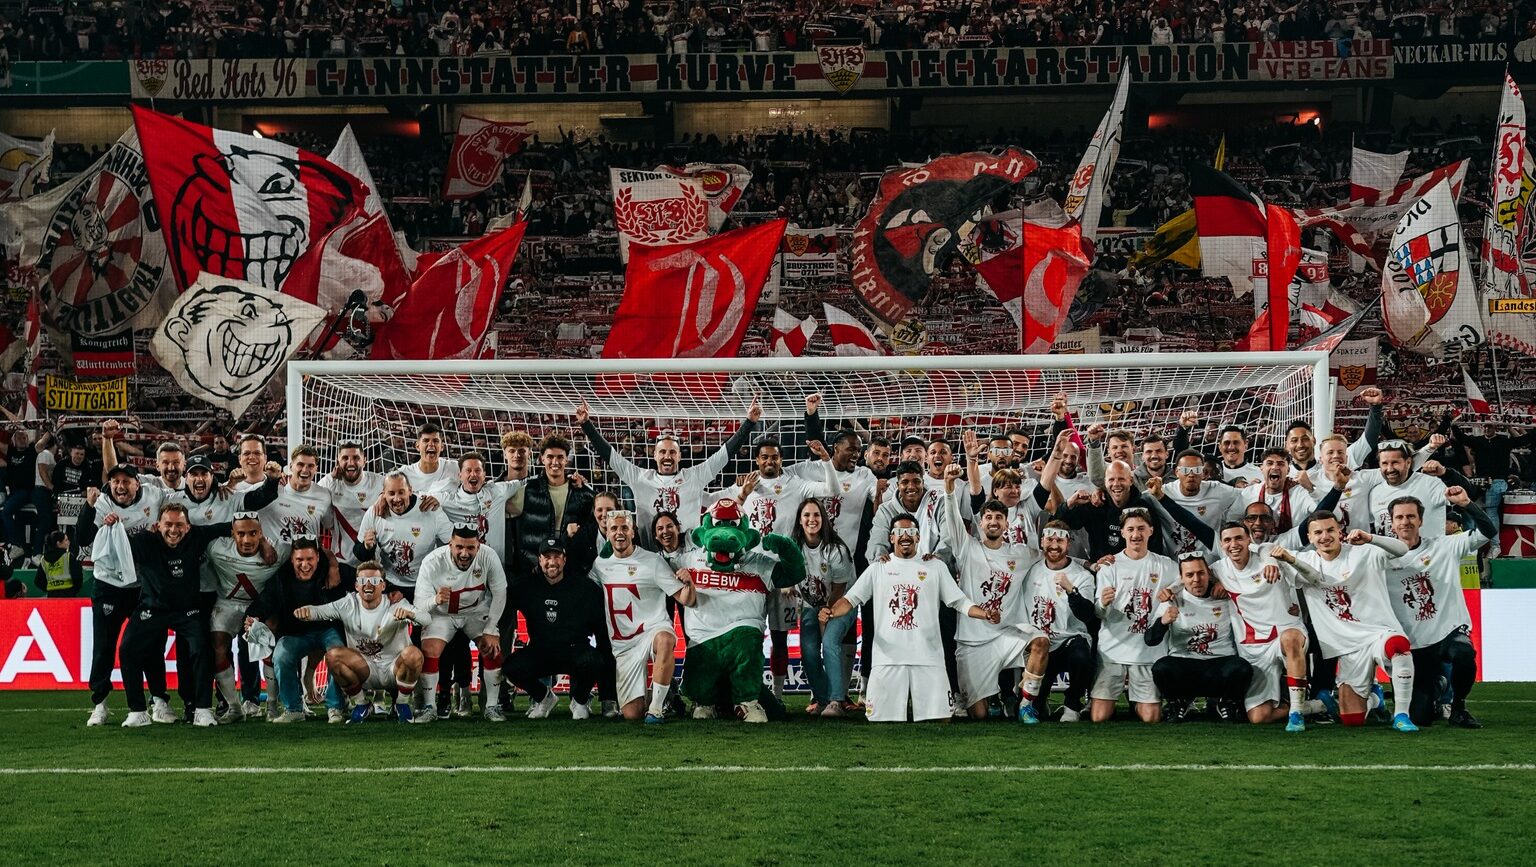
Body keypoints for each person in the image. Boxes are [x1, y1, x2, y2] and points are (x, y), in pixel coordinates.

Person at [818, 515, 997, 722]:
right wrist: (830, 612)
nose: (906, 536)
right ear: (891, 538)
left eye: (911, 532)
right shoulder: (878, 568)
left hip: (929, 658)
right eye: (900, 533)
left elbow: (959, 601)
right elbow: (850, 600)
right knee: (880, 720)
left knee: (941, 720)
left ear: (918, 537)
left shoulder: (935, 566)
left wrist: (983, 613)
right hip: (887, 660)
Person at [92, 502, 230, 727]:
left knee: (202, 648)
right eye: (168, 524)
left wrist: (262, 542)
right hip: (151, 609)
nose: (173, 530)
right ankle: (137, 711)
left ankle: (203, 709)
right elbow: (110, 548)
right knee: (127, 649)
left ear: (188, 527)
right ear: (157, 525)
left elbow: (231, 527)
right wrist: (109, 527)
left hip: (188, 611)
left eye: (179, 525)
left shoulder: (198, 536)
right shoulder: (143, 542)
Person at [1284, 511, 1418, 732]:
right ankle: (1376, 699)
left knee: (1398, 645)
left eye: (1330, 530)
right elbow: (1265, 551)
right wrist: (1271, 561)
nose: (1324, 536)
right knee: (1352, 719)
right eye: (1318, 532)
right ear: (1309, 537)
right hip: (1347, 647)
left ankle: (1402, 714)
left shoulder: (1363, 552)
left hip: (1378, 633)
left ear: (1340, 532)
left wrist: (1371, 538)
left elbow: (1403, 548)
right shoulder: (1305, 561)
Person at [1374, 489, 1492, 728]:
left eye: (1410, 516)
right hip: (1412, 642)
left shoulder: (1445, 546)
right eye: (1399, 517)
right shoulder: (1378, 556)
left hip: (1448, 630)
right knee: (1420, 717)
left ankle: (1459, 707)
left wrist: (1468, 504)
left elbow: (1488, 532)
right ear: (1391, 522)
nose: (1405, 522)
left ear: (1421, 520)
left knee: (1464, 654)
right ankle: (1439, 686)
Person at [939, 464, 1048, 722]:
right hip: (972, 641)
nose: (993, 522)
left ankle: (1027, 703)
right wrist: (949, 487)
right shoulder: (967, 548)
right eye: (988, 517)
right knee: (979, 715)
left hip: (1006, 634)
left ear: (1006, 523)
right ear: (981, 522)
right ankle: (984, 698)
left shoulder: (1021, 553)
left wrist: (1089, 564)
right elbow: (953, 517)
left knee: (1041, 642)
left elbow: (1053, 557)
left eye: (999, 518)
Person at [576, 396, 761, 538]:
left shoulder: (694, 476)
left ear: (679, 456)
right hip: (652, 555)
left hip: (688, 556)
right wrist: (586, 425)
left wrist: (749, 423)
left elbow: (723, 455)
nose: (667, 456)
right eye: (662, 452)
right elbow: (611, 456)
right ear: (654, 455)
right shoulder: (640, 477)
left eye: (672, 452)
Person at [77, 465, 167, 726]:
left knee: (152, 644)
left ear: (137, 484)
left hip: (143, 586)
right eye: (115, 481)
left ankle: (159, 700)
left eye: (126, 481)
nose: (120, 486)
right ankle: (100, 704)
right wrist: (88, 506)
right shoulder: (102, 503)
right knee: (104, 646)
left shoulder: (154, 495)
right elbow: (82, 537)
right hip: (109, 585)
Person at [296, 560, 430, 725]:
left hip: (394, 668)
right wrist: (306, 611)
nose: (368, 584)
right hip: (364, 669)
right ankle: (361, 704)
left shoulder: (396, 603)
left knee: (414, 654)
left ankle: (402, 704)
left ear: (383, 585)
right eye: (362, 581)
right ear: (356, 586)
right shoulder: (348, 603)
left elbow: (427, 619)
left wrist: (411, 615)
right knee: (333, 656)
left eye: (374, 581)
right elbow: (321, 610)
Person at [590, 510, 691, 723]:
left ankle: (656, 709)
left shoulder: (652, 561)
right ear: (607, 534)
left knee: (665, 639)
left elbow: (685, 599)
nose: (619, 533)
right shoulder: (600, 565)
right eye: (614, 529)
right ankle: (665, 697)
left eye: (624, 528)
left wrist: (689, 583)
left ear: (633, 532)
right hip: (624, 646)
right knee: (632, 714)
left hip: (653, 629)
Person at [1210, 522, 1312, 729]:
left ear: (1249, 540)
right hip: (1253, 648)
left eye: (1239, 538)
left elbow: (1267, 548)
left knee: (1290, 640)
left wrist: (1271, 561)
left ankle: (1297, 713)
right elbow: (1192, 576)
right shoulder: (1219, 569)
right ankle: (1314, 706)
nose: (1234, 544)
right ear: (1221, 545)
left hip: (1285, 630)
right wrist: (1212, 583)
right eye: (1228, 540)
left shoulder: (1269, 558)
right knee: (1259, 717)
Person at [244, 537, 350, 723]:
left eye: (309, 559)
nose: (305, 565)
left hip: (329, 629)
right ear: (292, 559)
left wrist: (390, 590)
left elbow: (365, 579)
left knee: (338, 654)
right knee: (281, 656)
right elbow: (264, 601)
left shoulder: (334, 570)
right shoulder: (281, 577)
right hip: (296, 633)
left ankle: (336, 707)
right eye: (299, 560)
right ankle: (293, 709)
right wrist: (253, 617)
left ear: (318, 557)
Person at [412, 524, 509, 722]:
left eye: (470, 548)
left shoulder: (489, 557)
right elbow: (418, 605)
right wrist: (435, 600)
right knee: (429, 649)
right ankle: (430, 707)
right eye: (459, 547)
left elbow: (500, 593)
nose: (464, 553)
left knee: (492, 648)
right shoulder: (432, 561)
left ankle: (491, 706)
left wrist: (491, 629)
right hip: (442, 614)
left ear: (478, 546)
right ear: (450, 545)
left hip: (475, 612)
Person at [1090, 508, 1178, 723]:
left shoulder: (1167, 566)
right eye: (1130, 529)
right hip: (1113, 649)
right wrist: (1103, 602)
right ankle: (1125, 698)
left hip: (1148, 652)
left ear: (1151, 531)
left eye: (1141, 528)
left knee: (1151, 718)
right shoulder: (1109, 566)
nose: (1135, 534)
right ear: (1122, 533)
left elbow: (1186, 588)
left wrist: (1173, 594)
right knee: (1099, 717)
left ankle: (1136, 701)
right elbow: (1099, 613)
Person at [506, 538, 610, 720]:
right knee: (511, 667)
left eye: (557, 557)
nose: (552, 562)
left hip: (575, 649)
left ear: (564, 559)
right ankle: (544, 697)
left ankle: (579, 700)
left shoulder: (583, 588)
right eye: (547, 557)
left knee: (595, 661)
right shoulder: (527, 586)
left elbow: (600, 625)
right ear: (539, 560)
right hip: (542, 650)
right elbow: (503, 598)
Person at [1146, 553, 1254, 722]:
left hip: (1220, 662)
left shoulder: (1225, 596)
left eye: (1200, 573)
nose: (1196, 579)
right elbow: (1150, 640)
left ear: (1208, 574)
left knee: (1242, 668)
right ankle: (1178, 703)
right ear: (1181, 578)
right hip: (1185, 663)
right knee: (1161, 668)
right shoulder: (1171, 600)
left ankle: (1227, 703)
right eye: (1189, 575)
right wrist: (1163, 622)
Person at [202, 511, 283, 722]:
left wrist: (330, 564)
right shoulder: (216, 548)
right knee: (217, 644)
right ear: (232, 534)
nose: (247, 540)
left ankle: (272, 706)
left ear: (261, 533)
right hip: (227, 605)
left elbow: (309, 552)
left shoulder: (278, 551)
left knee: (271, 632)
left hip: (259, 607)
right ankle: (235, 708)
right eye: (241, 534)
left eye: (253, 533)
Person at [1021, 520, 1096, 722]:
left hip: (1069, 641)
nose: (1054, 545)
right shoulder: (1031, 570)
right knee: (1035, 707)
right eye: (1050, 539)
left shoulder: (1082, 576)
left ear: (1068, 544)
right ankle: (1039, 701)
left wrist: (1071, 591)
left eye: (1060, 540)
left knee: (1080, 654)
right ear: (1042, 541)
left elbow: (1087, 614)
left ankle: (1072, 704)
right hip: (1041, 647)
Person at [791, 497, 856, 717]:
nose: (812, 519)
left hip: (841, 604)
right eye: (807, 515)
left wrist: (827, 610)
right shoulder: (794, 548)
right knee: (808, 650)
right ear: (800, 520)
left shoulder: (836, 549)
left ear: (824, 519)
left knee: (829, 642)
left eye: (816, 515)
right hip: (812, 606)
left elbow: (840, 587)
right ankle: (821, 698)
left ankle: (837, 700)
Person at [357, 471, 453, 600]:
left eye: (401, 492)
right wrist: (367, 547)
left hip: (424, 583)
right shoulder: (375, 512)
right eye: (391, 493)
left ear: (410, 491)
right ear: (383, 494)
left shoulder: (430, 509)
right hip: (389, 583)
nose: (397, 499)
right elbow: (358, 552)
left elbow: (453, 544)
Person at [427, 451, 524, 559]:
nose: (473, 474)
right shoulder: (447, 500)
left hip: (494, 566)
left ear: (484, 475)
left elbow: (524, 482)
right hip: (462, 567)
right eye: (468, 470)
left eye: (478, 470)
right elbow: (420, 497)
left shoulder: (497, 492)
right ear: (460, 475)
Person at [318, 440, 385, 565]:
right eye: (345, 458)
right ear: (338, 461)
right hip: (342, 562)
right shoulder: (329, 482)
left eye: (356, 458)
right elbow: (309, 497)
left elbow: (406, 492)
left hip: (374, 563)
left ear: (364, 460)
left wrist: (384, 495)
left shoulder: (380, 483)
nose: (350, 463)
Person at [260, 445, 336, 545]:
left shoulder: (324, 495)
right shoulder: (274, 489)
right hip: (277, 557)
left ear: (316, 469)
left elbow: (330, 525)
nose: (305, 470)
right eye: (300, 464)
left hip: (306, 558)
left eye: (310, 466)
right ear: (291, 466)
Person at [2, 428, 52, 560]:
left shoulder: (31, 450)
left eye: (24, 437)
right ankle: (18, 545)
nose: (22, 440)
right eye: (19, 437)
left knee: (44, 515)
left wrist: (51, 429)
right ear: (14, 440)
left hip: (29, 490)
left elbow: (41, 443)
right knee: (5, 512)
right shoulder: (10, 451)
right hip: (15, 492)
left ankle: (33, 550)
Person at [396, 422, 460, 492]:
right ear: (417, 446)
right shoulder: (404, 474)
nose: (431, 444)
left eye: (435, 441)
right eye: (426, 440)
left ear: (442, 447)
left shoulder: (455, 468)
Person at [31, 530, 79, 597]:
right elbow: (77, 576)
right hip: (68, 594)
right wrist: (73, 590)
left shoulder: (43, 559)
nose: (69, 542)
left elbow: (38, 581)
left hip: (52, 595)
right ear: (58, 543)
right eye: (66, 540)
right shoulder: (68, 557)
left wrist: (50, 589)